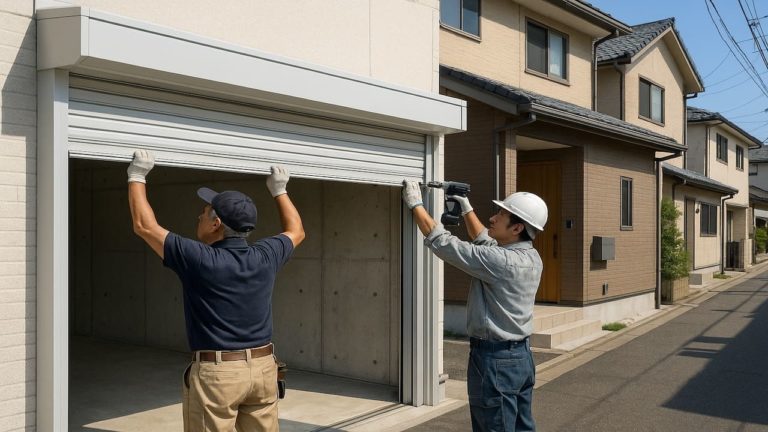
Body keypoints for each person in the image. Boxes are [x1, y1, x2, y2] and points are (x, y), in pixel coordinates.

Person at [127, 149, 305, 431]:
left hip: (219, 376)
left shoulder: (200, 259)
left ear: (216, 224)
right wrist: (280, 190)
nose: (198, 217)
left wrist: (136, 175)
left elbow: (144, 226)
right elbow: (297, 231)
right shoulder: (265, 256)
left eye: (203, 213)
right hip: (263, 370)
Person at [402, 180, 547, 432]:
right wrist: (466, 207)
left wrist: (416, 204)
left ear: (517, 227)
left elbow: (445, 243)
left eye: (500, 215)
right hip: (520, 358)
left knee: (494, 427)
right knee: (522, 427)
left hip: (495, 360)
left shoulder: (502, 262)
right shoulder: (530, 256)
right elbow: (484, 241)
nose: (493, 218)